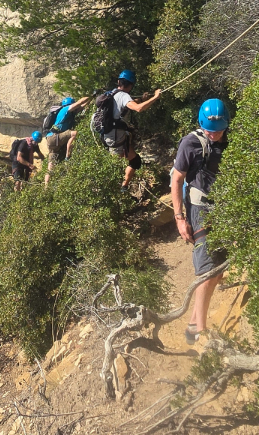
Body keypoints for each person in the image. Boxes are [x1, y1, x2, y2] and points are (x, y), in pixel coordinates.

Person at [171, 99, 229, 345]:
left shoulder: (229, 140)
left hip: (223, 207)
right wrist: (179, 218)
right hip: (199, 207)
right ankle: (202, 333)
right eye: (209, 130)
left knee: (218, 269)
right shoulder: (190, 143)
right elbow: (176, 180)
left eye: (218, 130)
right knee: (206, 268)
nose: (213, 134)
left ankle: (194, 322)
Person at [94, 70, 162, 188]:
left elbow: (126, 105)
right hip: (115, 138)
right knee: (116, 170)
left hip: (109, 135)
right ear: (131, 85)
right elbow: (138, 108)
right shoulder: (124, 96)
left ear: (119, 81)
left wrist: (142, 99)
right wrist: (156, 97)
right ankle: (117, 191)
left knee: (135, 161)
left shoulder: (112, 93)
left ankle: (123, 187)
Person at [43, 95, 92, 183]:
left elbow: (81, 107)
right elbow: (80, 103)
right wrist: (90, 96)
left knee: (50, 165)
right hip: (55, 137)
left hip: (50, 139)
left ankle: (46, 187)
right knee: (74, 133)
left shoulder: (67, 113)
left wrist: (93, 97)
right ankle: (67, 156)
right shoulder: (65, 110)